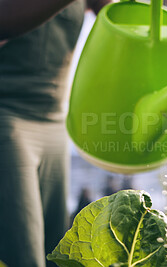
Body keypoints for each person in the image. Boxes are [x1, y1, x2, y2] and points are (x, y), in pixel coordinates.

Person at [0, 0, 110, 266]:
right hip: (6, 119)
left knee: (56, 256)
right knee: (24, 258)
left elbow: (121, 19)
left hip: (55, 126)